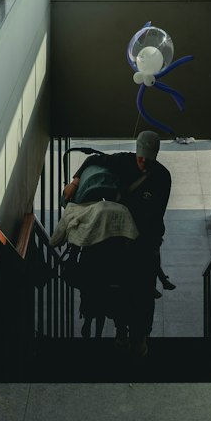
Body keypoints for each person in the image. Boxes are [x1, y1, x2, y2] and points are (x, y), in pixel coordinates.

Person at [61, 131, 172, 355]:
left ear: (155, 155)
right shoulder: (124, 160)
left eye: (148, 158)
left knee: (142, 291)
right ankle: (122, 331)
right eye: (141, 157)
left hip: (144, 241)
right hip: (119, 238)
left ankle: (140, 336)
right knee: (121, 289)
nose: (143, 162)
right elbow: (93, 159)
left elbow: (154, 215)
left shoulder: (162, 177)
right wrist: (75, 180)